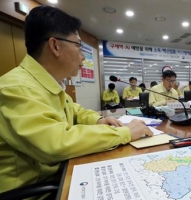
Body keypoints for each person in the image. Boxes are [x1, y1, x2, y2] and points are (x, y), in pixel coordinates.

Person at [0, 5, 153, 195]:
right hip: (37, 192)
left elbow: (76, 111)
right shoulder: (17, 88)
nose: (83, 57)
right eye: (78, 46)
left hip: (58, 177)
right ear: (55, 46)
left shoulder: (49, 84)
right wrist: (124, 133)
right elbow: (56, 142)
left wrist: (98, 120)